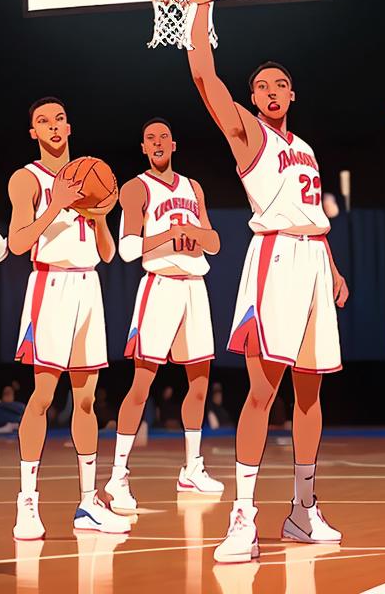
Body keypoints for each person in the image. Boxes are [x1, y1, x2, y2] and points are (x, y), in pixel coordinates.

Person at [183, 0, 349, 563]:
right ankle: (242, 517)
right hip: (273, 259)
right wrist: (202, 4)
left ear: (292, 94)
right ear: (252, 99)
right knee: (261, 391)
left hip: (310, 259)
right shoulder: (248, 135)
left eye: (280, 85)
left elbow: (312, 215)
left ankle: (303, 510)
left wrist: (331, 266)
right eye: (262, 87)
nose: (272, 92)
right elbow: (204, 73)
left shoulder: (304, 148)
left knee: (311, 392)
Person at [7, 97, 127, 540]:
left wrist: (97, 218)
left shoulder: (90, 173)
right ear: (33, 132)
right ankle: (27, 504)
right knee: (41, 397)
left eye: (59, 118)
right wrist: (56, 204)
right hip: (50, 286)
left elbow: (109, 254)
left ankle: (87, 503)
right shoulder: (27, 179)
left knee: (86, 401)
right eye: (43, 121)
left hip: (87, 285)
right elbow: (19, 243)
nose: (53, 126)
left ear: (70, 126)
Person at [105, 118, 223, 512]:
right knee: (142, 386)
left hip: (194, 287)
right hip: (159, 286)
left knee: (201, 384)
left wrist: (193, 232)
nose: (157, 143)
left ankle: (192, 467)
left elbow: (215, 242)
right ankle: (117, 476)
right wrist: (171, 236)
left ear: (174, 144)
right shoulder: (136, 187)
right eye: (150, 139)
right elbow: (126, 248)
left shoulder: (193, 187)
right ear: (143, 148)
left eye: (163, 137)